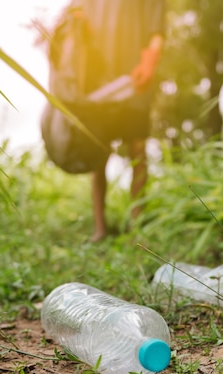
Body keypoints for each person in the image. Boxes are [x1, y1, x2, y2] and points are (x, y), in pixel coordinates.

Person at [64, 0, 165, 242]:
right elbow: (74, 17)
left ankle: (137, 224)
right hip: (98, 81)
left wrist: (150, 60)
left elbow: (157, 29)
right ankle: (100, 228)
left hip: (134, 79)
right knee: (98, 152)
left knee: (138, 149)